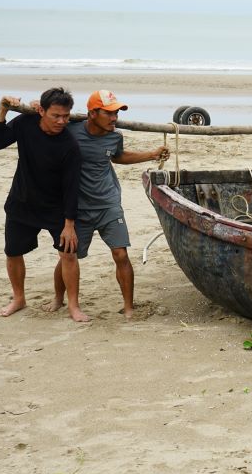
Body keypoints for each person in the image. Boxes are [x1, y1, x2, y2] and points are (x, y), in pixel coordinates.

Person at [48, 90, 169, 320]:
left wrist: (152, 154)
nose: (115, 118)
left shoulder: (115, 136)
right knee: (67, 256)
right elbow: (48, 124)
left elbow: (117, 156)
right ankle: (58, 298)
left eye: (117, 113)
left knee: (121, 254)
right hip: (78, 208)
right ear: (92, 113)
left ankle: (129, 307)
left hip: (109, 203)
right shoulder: (70, 131)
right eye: (109, 113)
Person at [0, 88, 87, 322]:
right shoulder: (25, 123)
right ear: (41, 110)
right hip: (22, 202)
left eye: (66, 116)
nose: (62, 121)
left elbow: (72, 187)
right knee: (13, 252)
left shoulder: (69, 145)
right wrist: (3, 109)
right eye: (56, 116)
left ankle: (73, 305)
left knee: (68, 254)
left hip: (56, 208)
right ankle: (19, 298)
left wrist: (69, 224)